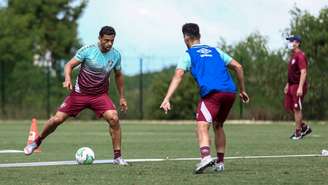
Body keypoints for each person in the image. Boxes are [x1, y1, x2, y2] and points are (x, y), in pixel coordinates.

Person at [24, 26, 129, 165]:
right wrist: (67, 78)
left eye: (112, 41)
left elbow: (119, 75)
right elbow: (69, 65)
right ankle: (36, 142)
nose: (109, 44)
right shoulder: (88, 50)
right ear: (99, 38)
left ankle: (117, 157)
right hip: (79, 94)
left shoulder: (116, 55)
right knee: (56, 120)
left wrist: (122, 97)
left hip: (99, 95)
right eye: (106, 40)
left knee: (114, 118)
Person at [160, 23, 249, 173]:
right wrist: (243, 90)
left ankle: (206, 157)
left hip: (212, 94)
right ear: (199, 36)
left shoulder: (188, 55)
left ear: (185, 37)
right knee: (218, 125)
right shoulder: (216, 51)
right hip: (230, 92)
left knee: (202, 125)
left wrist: (167, 98)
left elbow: (178, 75)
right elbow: (238, 67)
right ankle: (220, 163)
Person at [284, 35, 312, 140]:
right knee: (290, 107)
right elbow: (291, 72)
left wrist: (300, 87)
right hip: (291, 85)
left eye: (291, 41)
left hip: (297, 86)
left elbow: (303, 72)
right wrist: (287, 84)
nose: (290, 43)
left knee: (297, 108)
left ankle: (298, 132)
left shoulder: (300, 55)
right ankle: (304, 127)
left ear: (298, 42)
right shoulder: (293, 55)